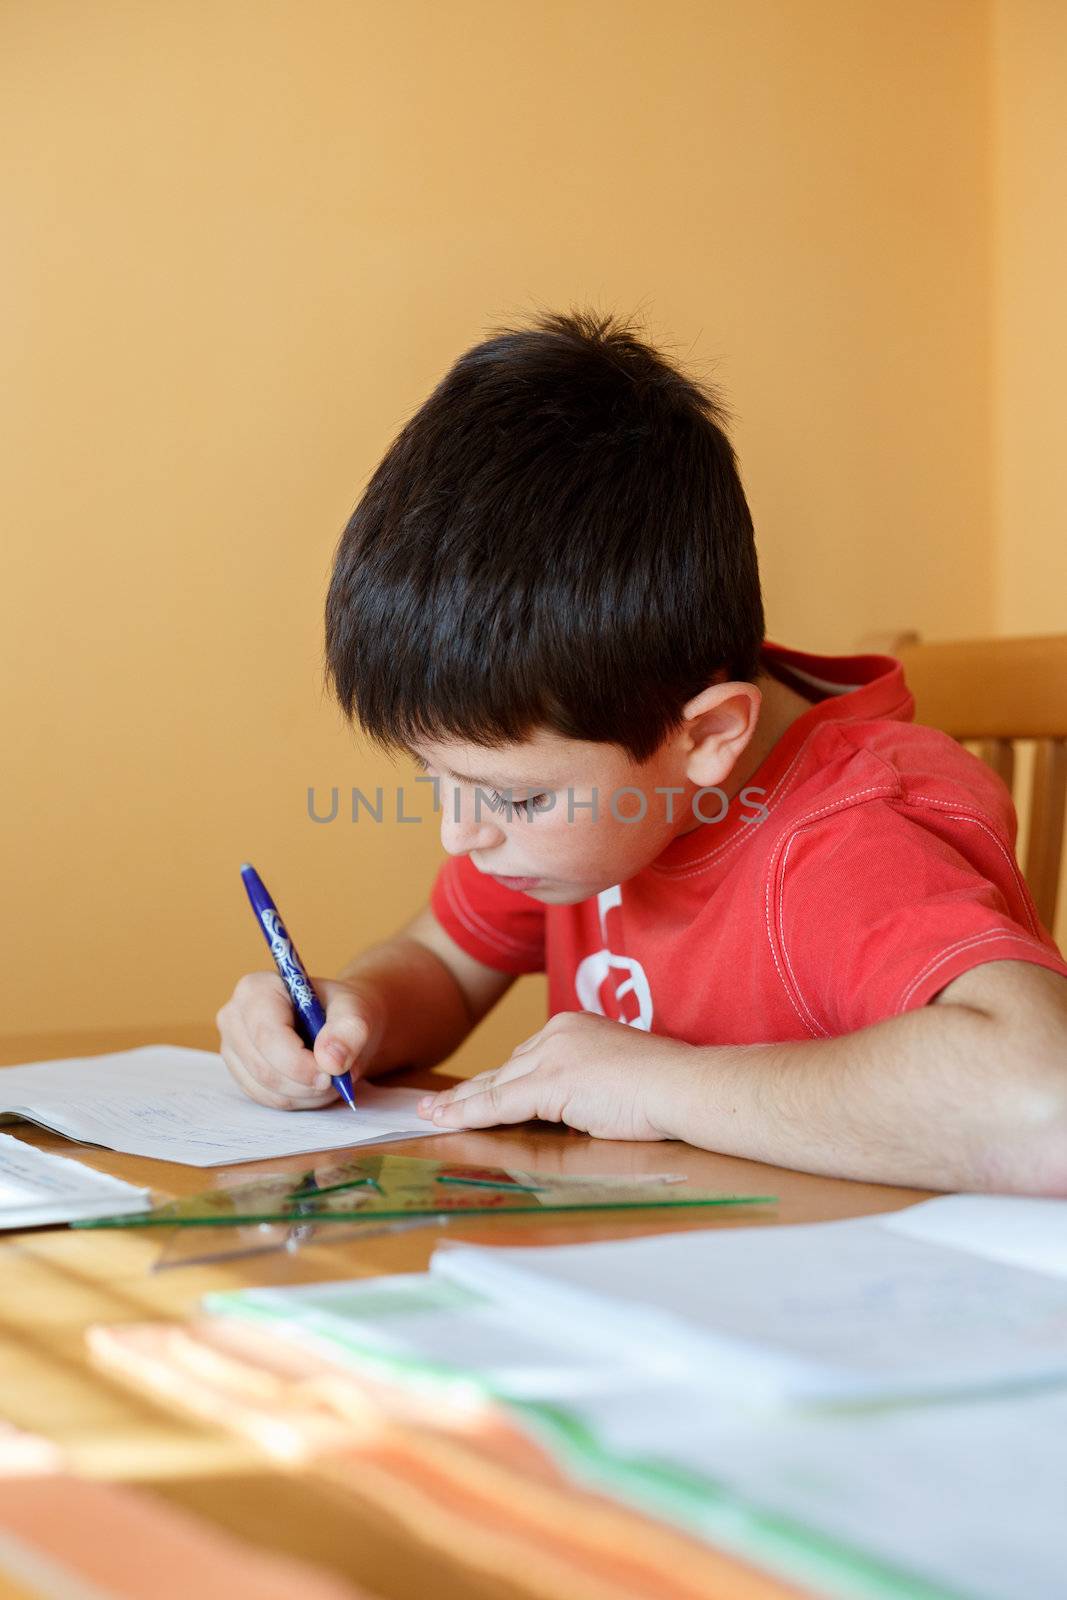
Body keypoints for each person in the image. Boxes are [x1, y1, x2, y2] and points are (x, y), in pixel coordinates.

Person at [217, 310, 1067, 1191]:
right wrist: (354, 1014)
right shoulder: (597, 785)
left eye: (510, 799)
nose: (458, 833)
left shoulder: (851, 836)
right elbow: (440, 961)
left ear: (707, 735)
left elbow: (1047, 1103)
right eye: (431, 778)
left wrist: (657, 1085)